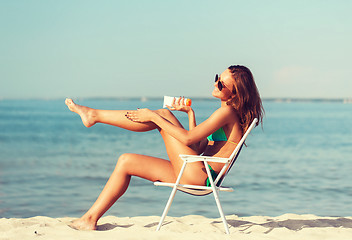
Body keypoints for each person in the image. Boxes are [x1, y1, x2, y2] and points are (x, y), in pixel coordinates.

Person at [65, 65, 264, 230]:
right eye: (216, 78)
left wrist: (153, 117)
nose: (215, 84)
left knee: (163, 114)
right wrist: (190, 114)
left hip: (200, 176)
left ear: (235, 91)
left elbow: (187, 141)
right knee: (126, 161)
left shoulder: (227, 112)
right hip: (196, 170)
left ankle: (94, 115)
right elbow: (197, 146)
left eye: (221, 83)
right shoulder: (226, 113)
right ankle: (89, 219)